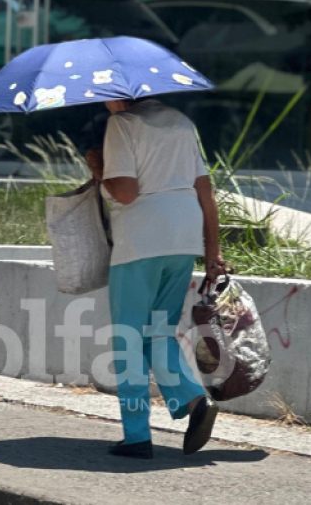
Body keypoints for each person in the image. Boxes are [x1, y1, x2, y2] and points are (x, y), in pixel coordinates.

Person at [85, 97, 227, 460]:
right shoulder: (180, 121)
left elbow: (126, 193)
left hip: (141, 239)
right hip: (183, 236)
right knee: (158, 331)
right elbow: (205, 190)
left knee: (130, 337)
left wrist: (98, 170)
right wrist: (214, 251)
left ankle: (136, 435)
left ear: (116, 93)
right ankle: (196, 402)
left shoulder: (123, 124)